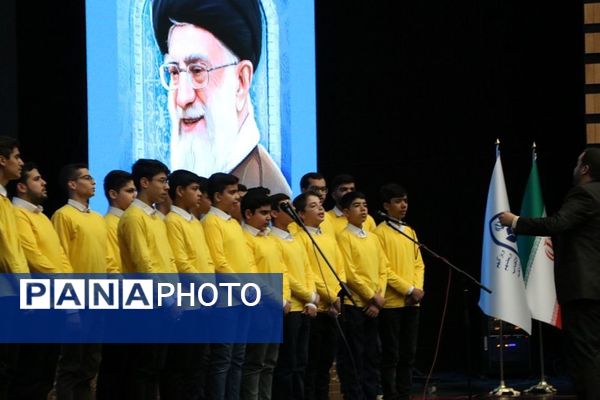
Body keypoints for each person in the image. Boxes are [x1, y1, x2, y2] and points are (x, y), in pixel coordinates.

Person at [152, 0, 292, 195]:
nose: (183, 98)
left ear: (241, 81)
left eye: (198, 71)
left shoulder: (266, 192)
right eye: (174, 72)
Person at [499, 147, 600, 399]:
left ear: (585, 169)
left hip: (584, 290)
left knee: (585, 354)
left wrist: (515, 221)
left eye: (577, 163)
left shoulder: (584, 193)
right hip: (594, 289)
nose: (574, 167)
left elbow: (557, 223)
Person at [9, 163, 71, 398]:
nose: (44, 182)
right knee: (31, 371)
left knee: (47, 371)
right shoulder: (16, 214)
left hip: (55, 298)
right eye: (36, 179)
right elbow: (33, 257)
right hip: (36, 299)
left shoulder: (42, 216)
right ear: (22, 187)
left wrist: (68, 283)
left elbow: (60, 255)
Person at [117, 159, 178, 398]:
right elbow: (144, 264)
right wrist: (168, 299)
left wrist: (175, 296)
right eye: (162, 181)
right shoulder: (134, 217)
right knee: (143, 368)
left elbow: (168, 259)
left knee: (155, 368)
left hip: (163, 301)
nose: (166, 187)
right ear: (144, 182)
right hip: (147, 302)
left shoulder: (155, 217)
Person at [52, 163, 112, 400]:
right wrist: (70, 306)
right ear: (72, 184)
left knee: (90, 365)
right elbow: (61, 260)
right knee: (71, 365)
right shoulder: (63, 215)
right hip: (79, 301)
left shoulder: (97, 218)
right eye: (87, 178)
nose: (93, 182)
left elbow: (105, 259)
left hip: (99, 300)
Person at [202, 172, 256, 400]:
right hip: (225, 301)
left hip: (243, 299)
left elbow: (246, 260)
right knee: (222, 360)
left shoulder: (232, 223)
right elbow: (219, 262)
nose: (237, 197)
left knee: (237, 359)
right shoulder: (211, 222)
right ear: (217, 196)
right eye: (232, 192)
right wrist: (243, 289)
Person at [292, 191, 346, 400]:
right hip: (315, 308)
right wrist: (330, 297)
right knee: (311, 364)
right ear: (301, 214)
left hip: (332, 308)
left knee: (325, 363)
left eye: (320, 204)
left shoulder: (328, 238)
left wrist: (337, 295)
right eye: (313, 206)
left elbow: (339, 270)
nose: (321, 208)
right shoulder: (300, 238)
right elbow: (309, 274)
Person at [336, 191, 388, 400]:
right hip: (355, 305)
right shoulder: (343, 237)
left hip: (374, 305)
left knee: (372, 354)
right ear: (346, 212)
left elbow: (383, 269)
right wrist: (371, 297)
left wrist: (378, 298)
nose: (363, 209)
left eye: (365, 205)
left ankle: (372, 393)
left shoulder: (373, 238)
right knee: (355, 354)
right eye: (357, 205)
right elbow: (350, 273)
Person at [374, 184, 425, 400]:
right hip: (392, 302)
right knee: (391, 353)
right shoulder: (379, 233)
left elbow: (418, 263)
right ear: (386, 206)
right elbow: (384, 269)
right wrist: (408, 289)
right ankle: (390, 394)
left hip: (412, 302)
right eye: (397, 201)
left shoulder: (410, 231)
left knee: (408, 353)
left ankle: (405, 394)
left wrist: (417, 289)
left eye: (405, 200)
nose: (403, 205)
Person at [240, 188, 290, 400]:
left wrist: (285, 297)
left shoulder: (269, 238)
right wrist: (278, 300)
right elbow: (253, 277)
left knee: (270, 363)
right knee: (255, 363)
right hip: (259, 307)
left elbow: (283, 270)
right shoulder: (244, 238)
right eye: (263, 212)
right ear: (248, 213)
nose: (268, 217)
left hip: (276, 307)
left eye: (269, 212)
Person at [269, 193, 318, 400]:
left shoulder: (296, 238)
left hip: (305, 307)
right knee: (287, 364)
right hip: (290, 307)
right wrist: (307, 295)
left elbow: (308, 269)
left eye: (292, 207)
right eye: (285, 207)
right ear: (273, 213)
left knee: (301, 363)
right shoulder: (272, 239)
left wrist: (311, 299)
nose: (292, 210)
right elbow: (285, 274)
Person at [0, 136, 27, 399]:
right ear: (2, 160)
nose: (20, 163)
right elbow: (7, 249)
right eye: (16, 157)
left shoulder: (5, 200)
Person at [103, 170, 137, 273]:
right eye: (130, 191)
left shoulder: (133, 220)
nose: (135, 195)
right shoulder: (107, 225)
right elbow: (111, 265)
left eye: (136, 191)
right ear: (113, 194)